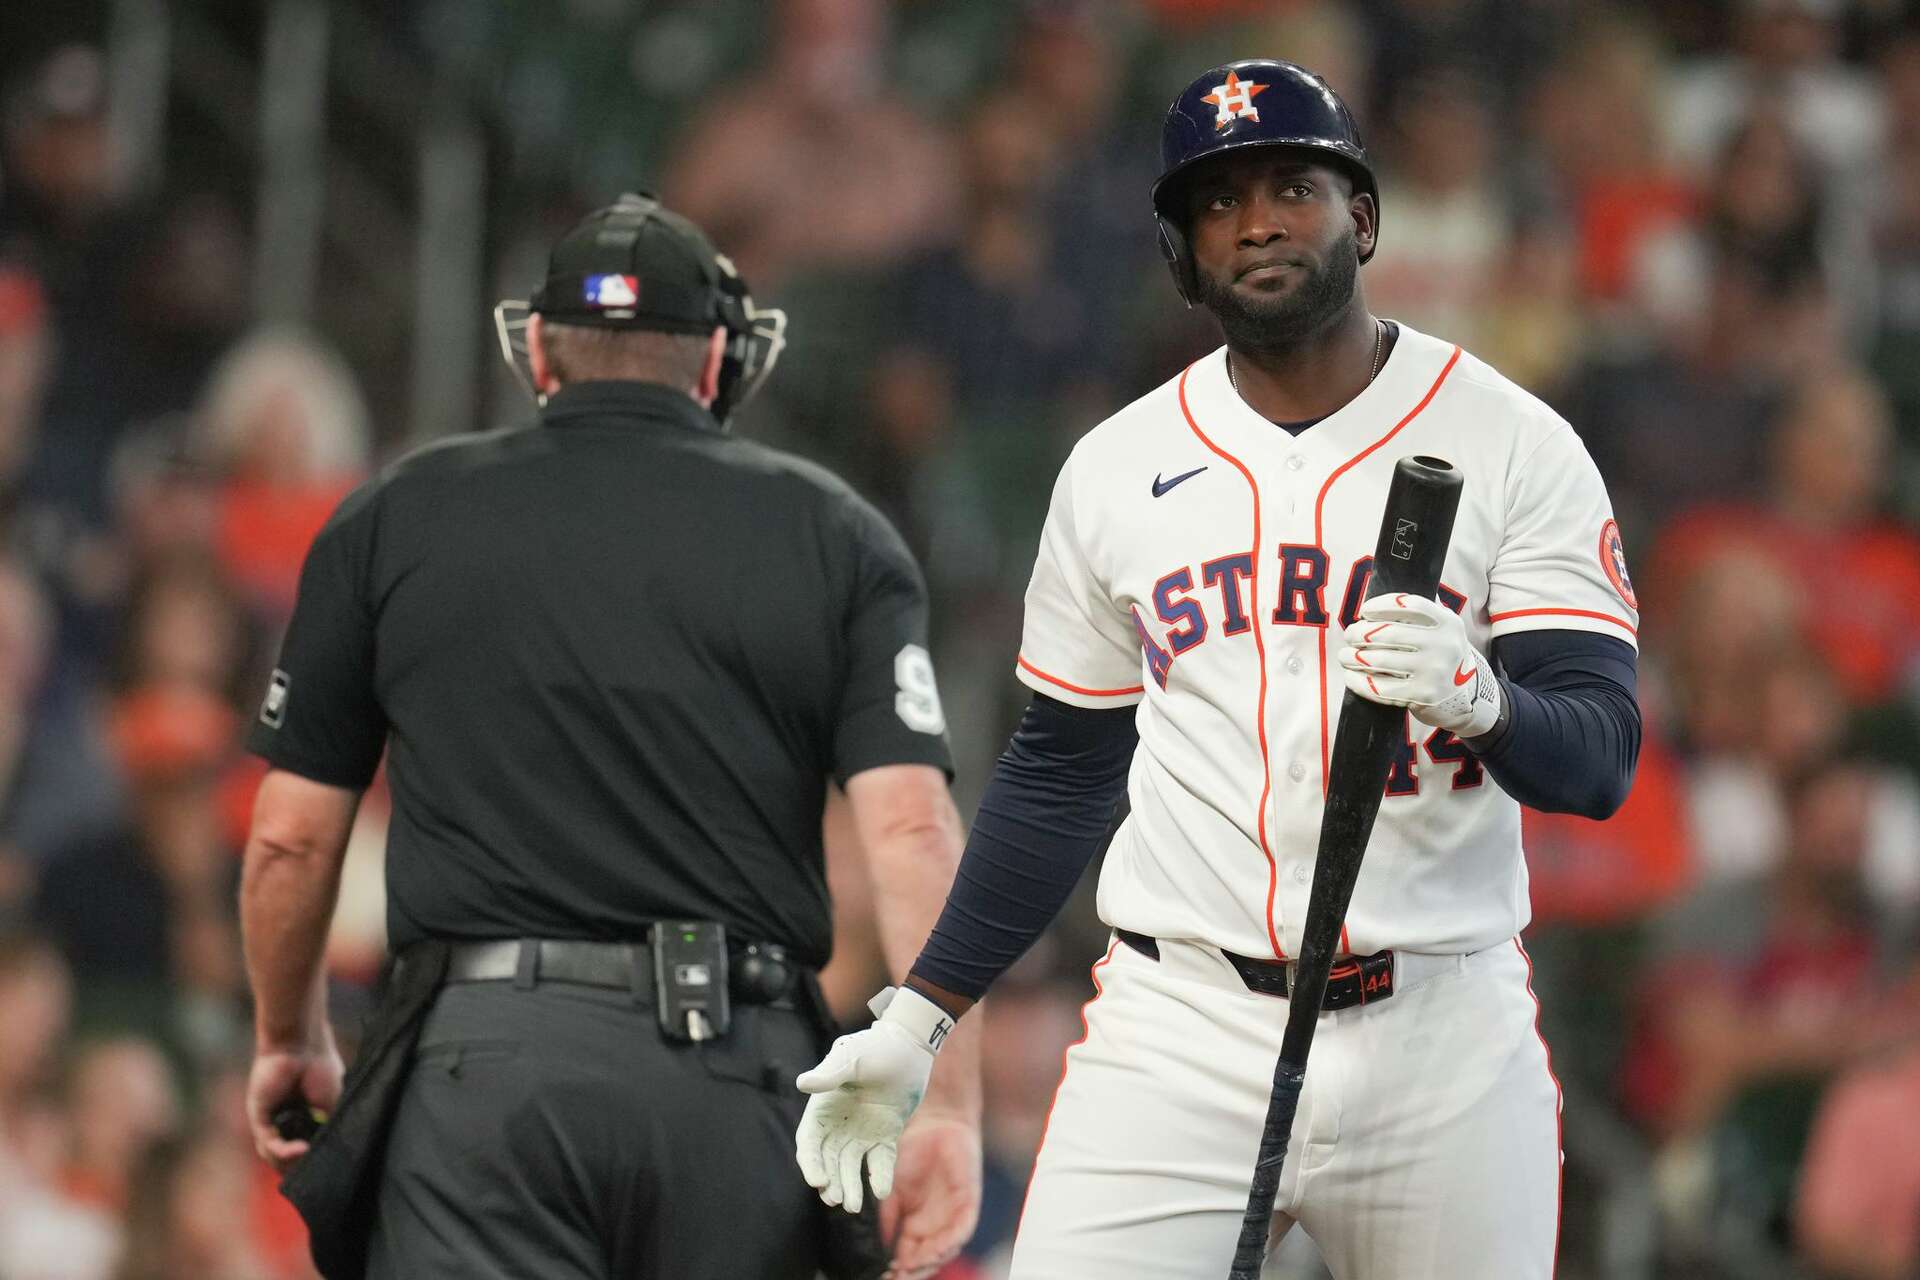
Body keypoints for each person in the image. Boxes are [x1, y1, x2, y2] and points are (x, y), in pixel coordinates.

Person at [795, 60, 1642, 1278]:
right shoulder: (1115, 466)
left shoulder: (1515, 441)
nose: (1257, 220)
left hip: (1442, 1034)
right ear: (1182, 253)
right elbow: (1060, 774)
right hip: (1181, 1026)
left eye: (1293, 186)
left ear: (1361, 215)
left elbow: (1601, 756)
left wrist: (1485, 696)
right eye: (1218, 201)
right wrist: (921, 1012)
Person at [239, 193, 981, 1279]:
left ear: (538, 346)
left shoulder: (395, 512)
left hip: (481, 1075)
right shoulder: (836, 529)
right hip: (738, 1076)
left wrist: (290, 1034)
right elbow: (913, 828)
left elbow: (289, 839)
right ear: (721, 355)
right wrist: (942, 1097)